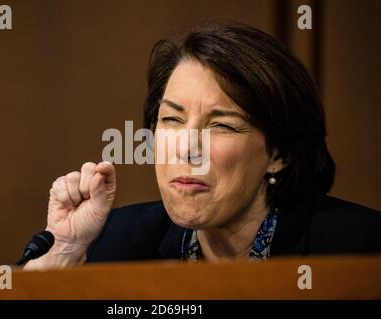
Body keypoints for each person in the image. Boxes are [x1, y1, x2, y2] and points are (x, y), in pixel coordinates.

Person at [25, 22, 381, 270]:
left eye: (221, 125)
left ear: (279, 154)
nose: (186, 148)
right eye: (172, 120)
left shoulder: (359, 249)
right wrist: (65, 251)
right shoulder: (115, 240)